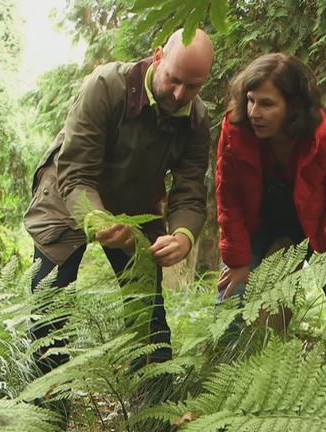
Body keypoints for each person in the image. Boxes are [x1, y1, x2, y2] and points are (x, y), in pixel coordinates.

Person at [23, 28, 214, 378]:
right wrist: (98, 221)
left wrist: (184, 235)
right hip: (68, 201)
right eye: (173, 79)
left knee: (149, 312)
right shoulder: (106, 86)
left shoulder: (197, 119)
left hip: (133, 206)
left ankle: (153, 406)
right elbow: (76, 173)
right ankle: (46, 406)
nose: (179, 93)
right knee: (51, 308)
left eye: (193, 86)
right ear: (158, 57)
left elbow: (189, 190)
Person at [215, 52, 326, 391]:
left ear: (293, 106)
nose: (254, 113)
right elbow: (227, 197)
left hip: (315, 231)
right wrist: (238, 260)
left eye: (266, 104)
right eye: (249, 100)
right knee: (230, 295)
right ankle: (221, 381)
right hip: (256, 226)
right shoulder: (234, 131)